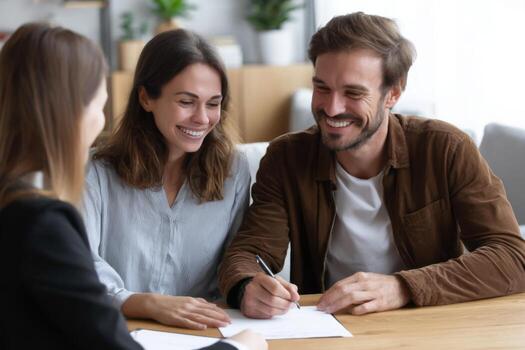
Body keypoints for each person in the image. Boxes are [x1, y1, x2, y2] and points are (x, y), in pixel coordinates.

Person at [218, 12, 525, 319]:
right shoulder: (286, 157)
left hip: (428, 324)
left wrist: (402, 287)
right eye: (322, 88)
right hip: (331, 327)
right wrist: (247, 287)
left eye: (353, 93)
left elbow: (513, 257)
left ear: (393, 93)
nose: (332, 107)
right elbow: (249, 252)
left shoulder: (446, 149)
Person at [0, 23, 266, 350]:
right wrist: (241, 347)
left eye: (213, 103)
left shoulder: (22, 206)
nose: (202, 118)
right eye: (98, 106)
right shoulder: (42, 219)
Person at [81, 29, 251, 330]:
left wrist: (254, 285)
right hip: (119, 330)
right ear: (146, 98)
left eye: (213, 103)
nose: (202, 118)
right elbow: (81, 267)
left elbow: (236, 262)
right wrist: (146, 303)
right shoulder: (96, 171)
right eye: (187, 102)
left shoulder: (233, 170)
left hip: (207, 333)